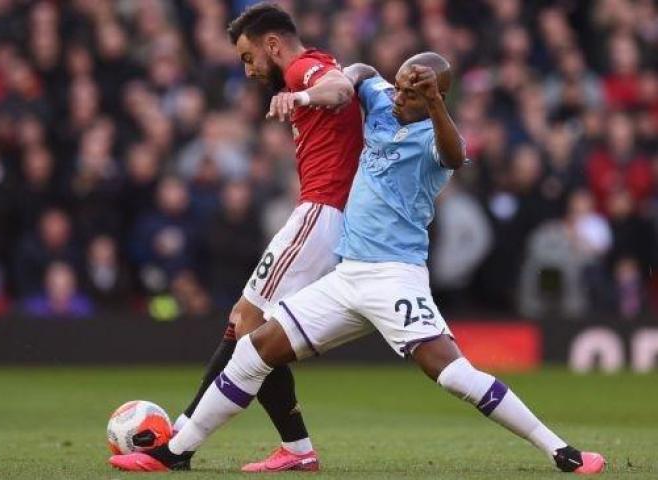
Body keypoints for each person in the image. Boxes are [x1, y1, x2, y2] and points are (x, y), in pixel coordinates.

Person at [109, 52, 606, 475]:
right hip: (347, 276)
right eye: (401, 84)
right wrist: (333, 85)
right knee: (253, 348)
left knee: (453, 375)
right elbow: (365, 72)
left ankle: (560, 449)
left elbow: (455, 156)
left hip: (396, 279)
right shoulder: (385, 100)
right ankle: (178, 451)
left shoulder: (436, 137)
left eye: (411, 93)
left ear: (434, 98)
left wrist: (431, 102)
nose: (397, 97)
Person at [166, 3, 363, 472]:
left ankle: (178, 440)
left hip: (320, 214)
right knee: (256, 331)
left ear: (272, 45)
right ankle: (296, 451)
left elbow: (335, 91)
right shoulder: (319, 62)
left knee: (245, 319)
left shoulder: (301, 70)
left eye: (248, 57)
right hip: (324, 215)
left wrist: (303, 98)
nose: (248, 69)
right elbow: (347, 77)